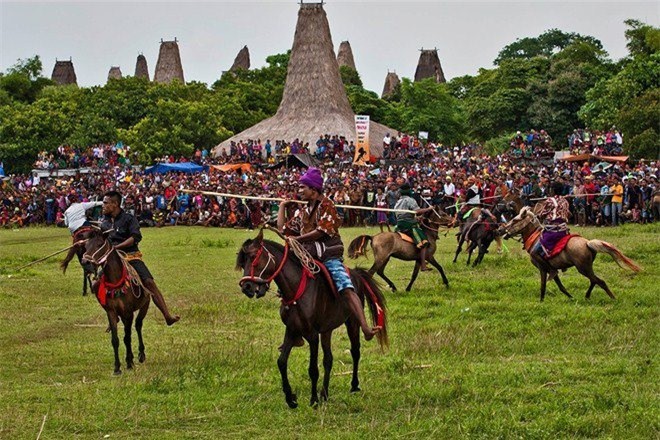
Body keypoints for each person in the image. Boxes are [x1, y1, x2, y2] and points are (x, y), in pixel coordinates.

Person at [277, 168, 379, 342]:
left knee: (345, 287)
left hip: (328, 256)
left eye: (303, 187)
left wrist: (298, 239)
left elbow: (321, 232)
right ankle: (295, 332)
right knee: (287, 287)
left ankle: (365, 327)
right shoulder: (304, 211)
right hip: (308, 257)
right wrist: (282, 207)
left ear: (314, 190)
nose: (299, 191)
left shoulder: (327, 205)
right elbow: (283, 230)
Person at [100, 190, 180, 325]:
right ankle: (112, 315)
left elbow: (135, 237)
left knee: (149, 282)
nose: (103, 206)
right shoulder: (104, 223)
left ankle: (167, 315)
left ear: (115, 204)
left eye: (106, 203)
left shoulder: (129, 219)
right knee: (98, 284)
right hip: (112, 260)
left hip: (130, 256)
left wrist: (117, 247)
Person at [393, 182, 434, 271]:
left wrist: (416, 218)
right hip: (409, 225)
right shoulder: (410, 200)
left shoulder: (398, 201)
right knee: (423, 242)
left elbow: (401, 214)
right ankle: (423, 265)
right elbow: (417, 211)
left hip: (399, 224)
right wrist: (428, 209)